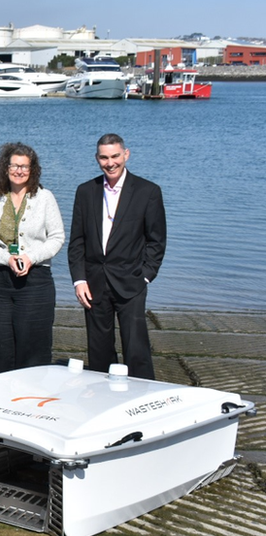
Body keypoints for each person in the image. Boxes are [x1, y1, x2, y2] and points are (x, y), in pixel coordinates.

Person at [68, 133, 167, 379]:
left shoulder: (148, 191)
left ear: (126, 154)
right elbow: (77, 241)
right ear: (97, 158)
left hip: (131, 282)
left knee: (136, 350)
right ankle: (103, 399)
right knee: (99, 350)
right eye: (104, 157)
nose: (110, 163)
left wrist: (145, 276)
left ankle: (144, 396)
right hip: (93, 283)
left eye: (115, 156)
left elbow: (156, 241)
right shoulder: (85, 191)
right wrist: (79, 280)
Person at [0, 143, 64, 374]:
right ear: (5, 168)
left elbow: (57, 237)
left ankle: (32, 402)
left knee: (33, 350)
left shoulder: (45, 198)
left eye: (25, 166)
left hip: (35, 282)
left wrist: (31, 257)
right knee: (3, 349)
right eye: (14, 165)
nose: (19, 171)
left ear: (33, 169)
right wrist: (7, 258)